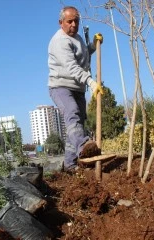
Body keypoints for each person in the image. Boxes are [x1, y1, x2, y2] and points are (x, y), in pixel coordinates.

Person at [48, 6, 104, 172]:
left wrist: (93, 45)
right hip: (60, 86)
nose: (73, 24)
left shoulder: (77, 38)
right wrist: (92, 83)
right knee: (72, 113)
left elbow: (84, 55)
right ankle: (84, 147)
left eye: (76, 21)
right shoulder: (59, 41)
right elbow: (72, 67)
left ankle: (70, 165)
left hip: (78, 88)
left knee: (77, 123)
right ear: (61, 23)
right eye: (69, 21)